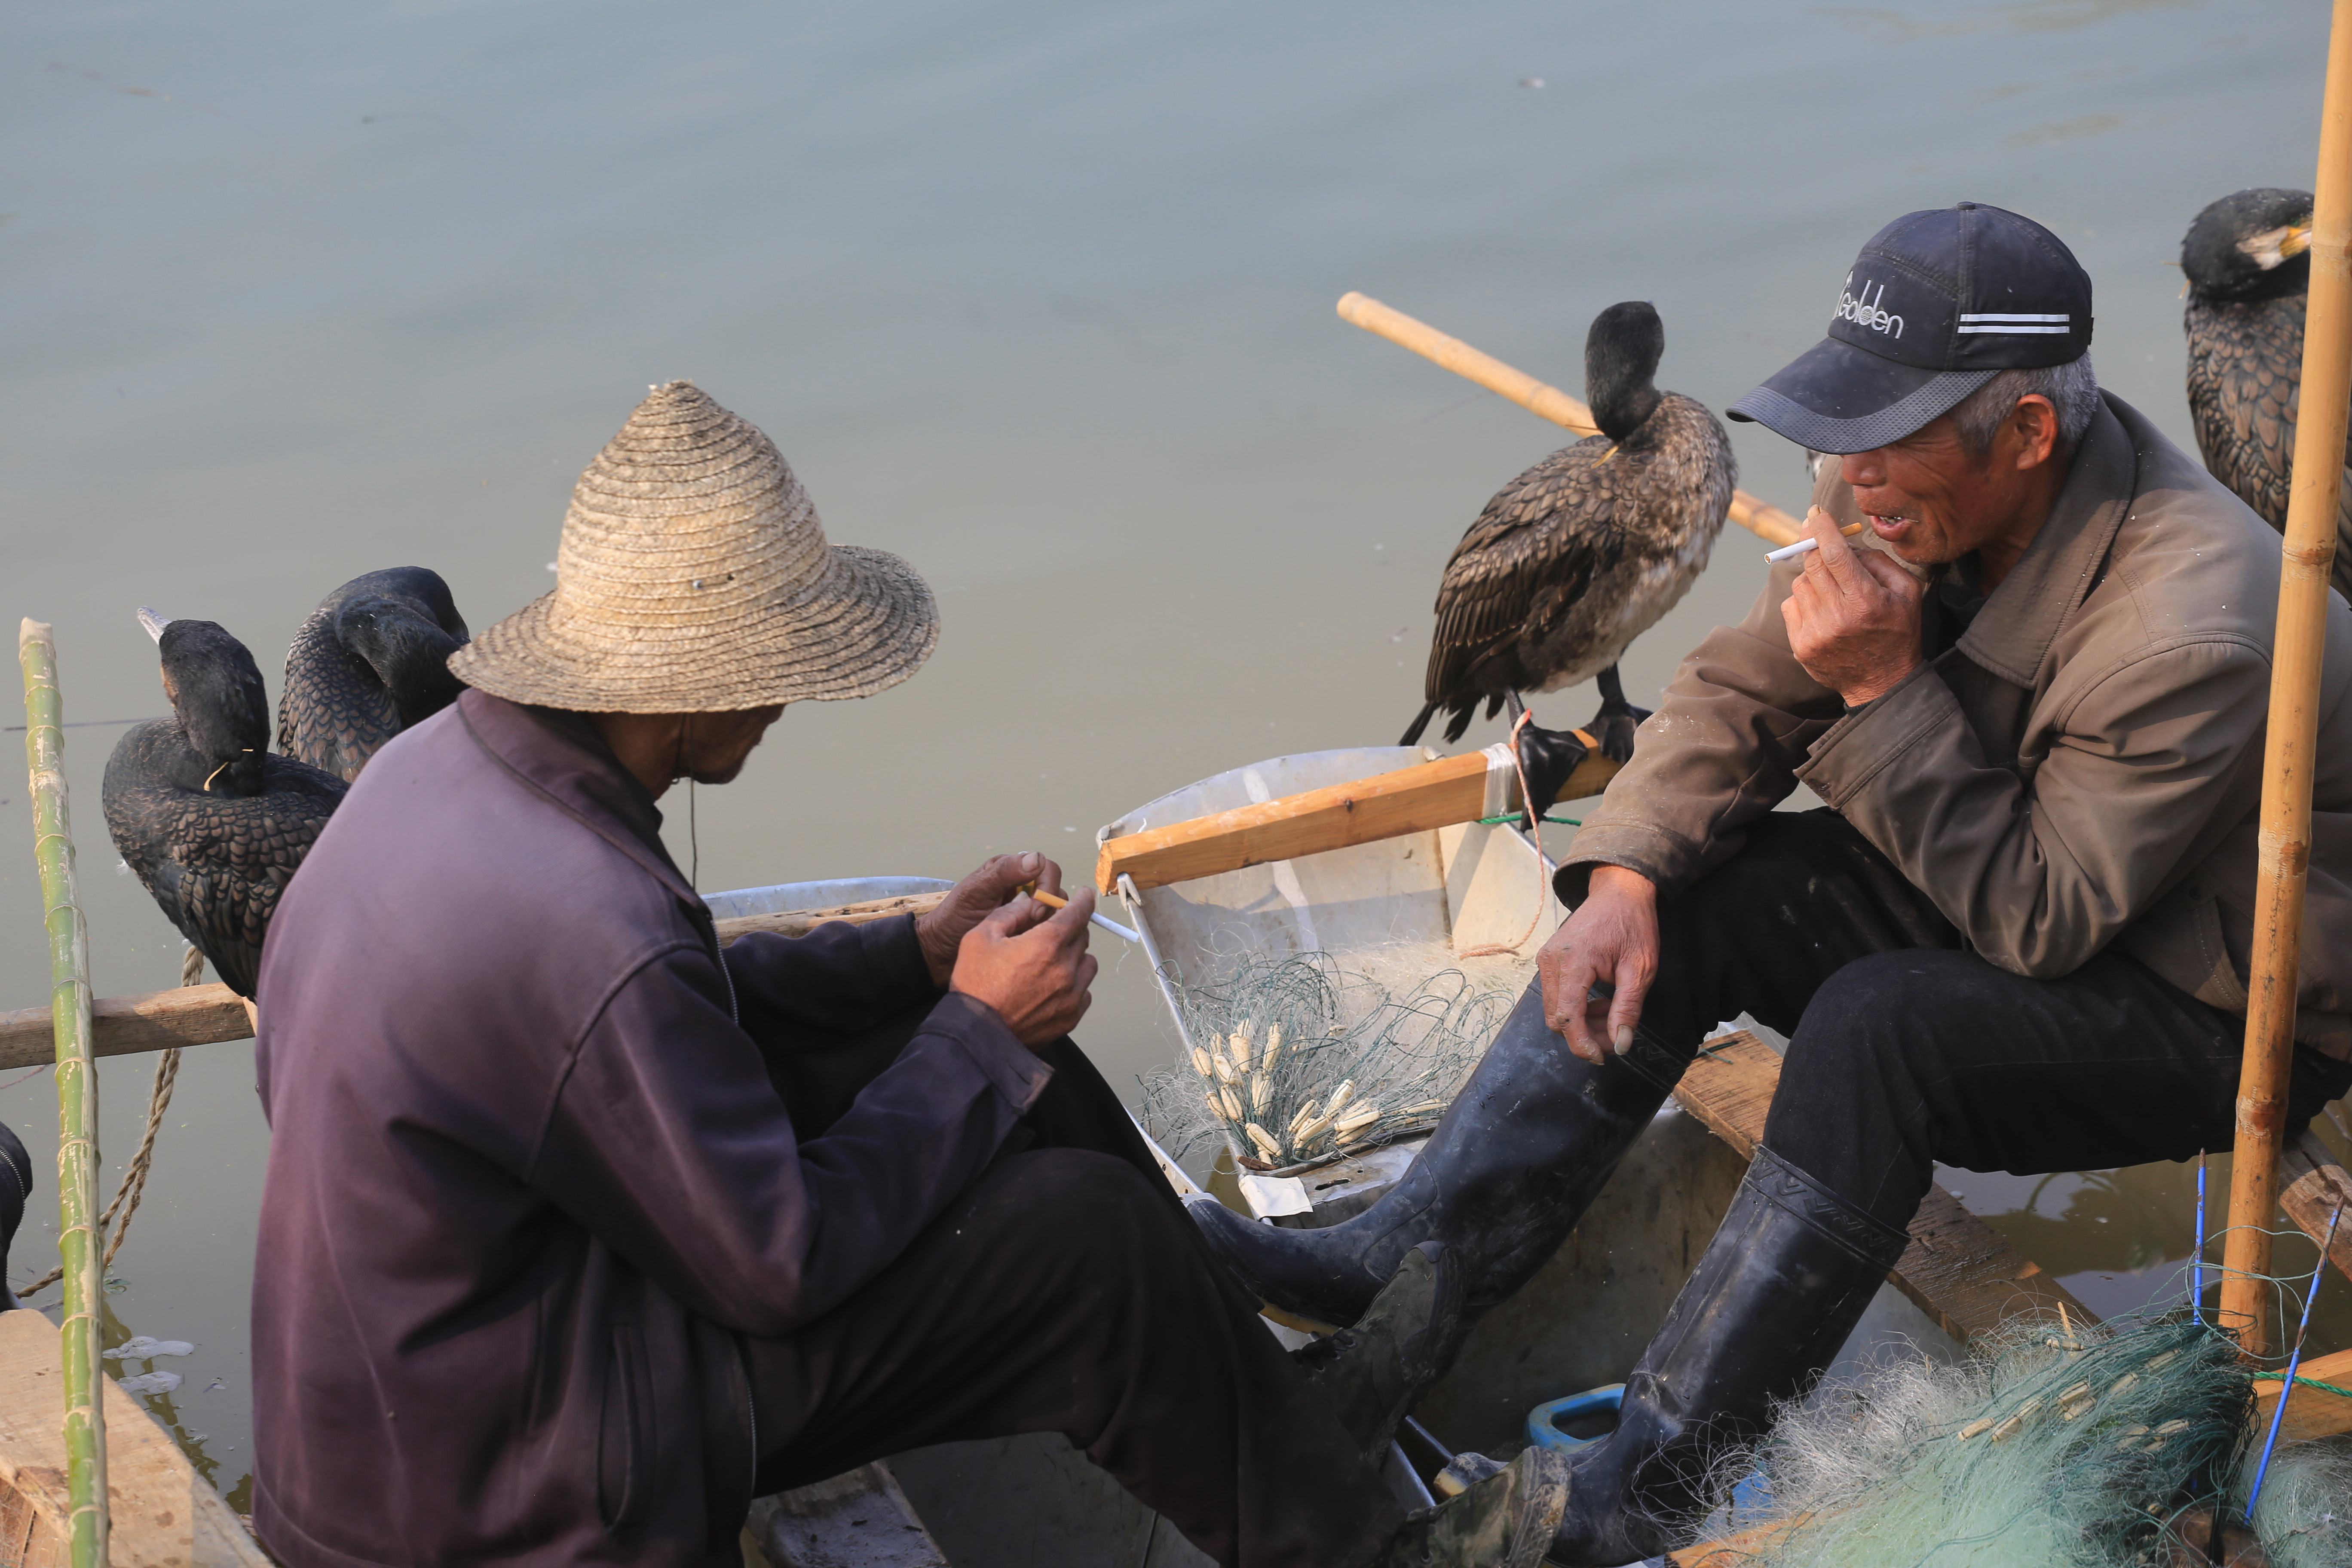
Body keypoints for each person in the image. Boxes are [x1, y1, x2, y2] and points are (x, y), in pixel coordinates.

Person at [1187, 203, 2352, 1564]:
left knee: (1880, 1033)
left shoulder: (2191, 620)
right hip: (2017, 858)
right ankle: (1399, 1272)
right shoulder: (1901, 484)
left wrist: (1878, 681)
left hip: (2213, 998)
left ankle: (1640, 1489)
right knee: (1696, 892)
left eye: (1883, 431)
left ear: (2029, 432)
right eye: (1837, 430)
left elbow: (2042, 924)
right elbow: (1744, 689)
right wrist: (1622, 868)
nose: (1845, 477)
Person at [247, 380, 1569, 1568]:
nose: (784, 706)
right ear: (685, 684)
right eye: (772, 676)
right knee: (1085, 1246)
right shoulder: (590, 915)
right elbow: (777, 1263)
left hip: (439, 1383)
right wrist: (976, 1037)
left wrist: (923, 961)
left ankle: (1273, 1416)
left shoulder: (449, 778)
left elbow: (663, 1015)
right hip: (493, 1486)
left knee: (1011, 1068)